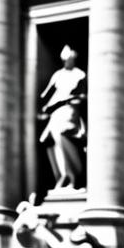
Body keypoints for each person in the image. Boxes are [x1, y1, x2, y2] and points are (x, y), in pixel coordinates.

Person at [39, 46, 87, 190]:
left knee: (63, 134)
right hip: (57, 112)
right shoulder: (58, 74)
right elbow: (47, 93)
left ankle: (72, 178)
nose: (67, 62)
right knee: (49, 141)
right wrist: (47, 106)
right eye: (65, 60)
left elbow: (82, 95)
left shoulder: (79, 74)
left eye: (69, 59)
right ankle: (61, 177)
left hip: (69, 110)